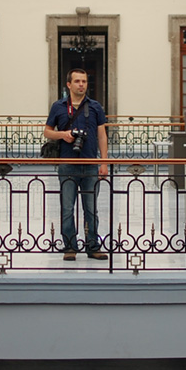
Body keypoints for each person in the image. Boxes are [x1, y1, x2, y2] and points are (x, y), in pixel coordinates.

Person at [43, 68, 109, 261]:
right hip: (67, 164)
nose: (81, 84)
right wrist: (63, 134)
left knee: (91, 209)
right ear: (69, 85)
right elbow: (47, 132)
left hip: (89, 164)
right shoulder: (59, 106)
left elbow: (102, 135)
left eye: (84, 81)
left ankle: (93, 246)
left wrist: (103, 162)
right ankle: (70, 247)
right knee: (67, 208)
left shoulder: (95, 106)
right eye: (78, 81)